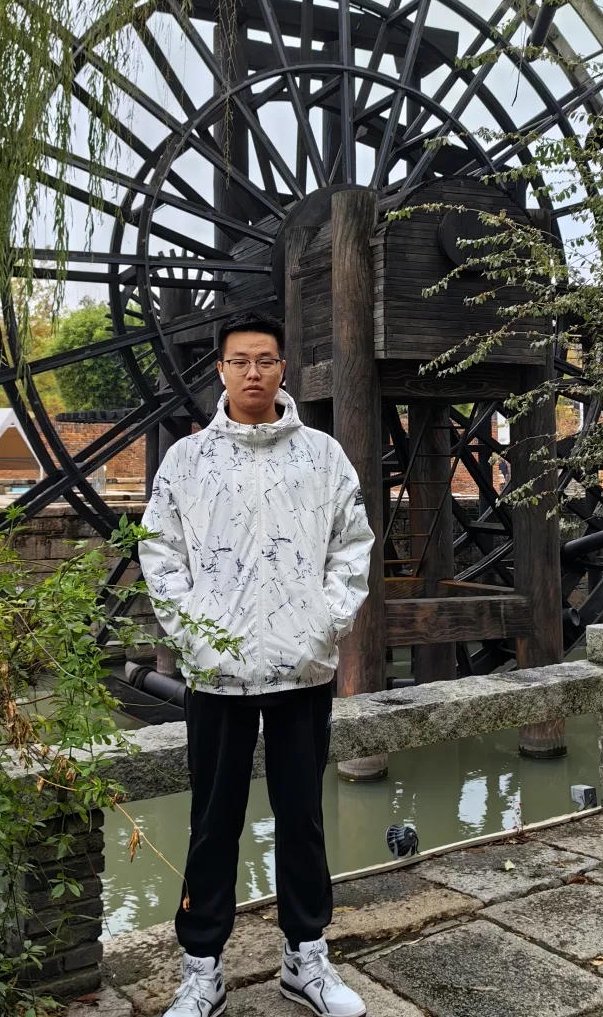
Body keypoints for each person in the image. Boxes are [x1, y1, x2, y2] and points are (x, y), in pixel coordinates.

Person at [139, 311, 375, 1017]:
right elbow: (160, 555)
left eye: (265, 360)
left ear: (282, 368)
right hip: (218, 673)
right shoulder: (188, 461)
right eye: (240, 361)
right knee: (213, 823)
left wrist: (323, 622)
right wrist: (196, 637)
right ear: (220, 370)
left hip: (303, 669)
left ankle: (306, 958)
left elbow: (352, 544)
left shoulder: (323, 456)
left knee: (303, 817)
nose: (253, 372)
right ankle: (201, 969)